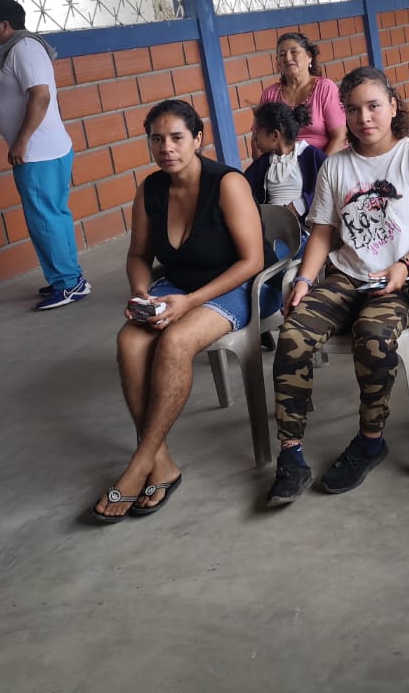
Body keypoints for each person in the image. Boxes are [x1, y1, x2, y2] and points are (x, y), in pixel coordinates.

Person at [265, 66, 409, 507]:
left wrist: (405, 266)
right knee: (292, 334)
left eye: (373, 106)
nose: (364, 117)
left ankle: (371, 440)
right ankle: (291, 453)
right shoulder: (336, 166)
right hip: (345, 277)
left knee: (372, 336)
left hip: (403, 282)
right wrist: (304, 280)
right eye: (352, 110)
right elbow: (322, 232)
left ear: (393, 106)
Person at [92, 99, 281, 523]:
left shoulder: (227, 183)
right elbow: (138, 254)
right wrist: (141, 292)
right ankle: (160, 463)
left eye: (177, 137)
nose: (166, 148)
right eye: (156, 139)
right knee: (130, 341)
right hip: (180, 284)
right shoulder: (150, 190)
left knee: (175, 341)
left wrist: (191, 302)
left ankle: (140, 465)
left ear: (197, 139)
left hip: (240, 283)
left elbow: (252, 260)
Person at [0, 0, 89, 310]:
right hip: (45, 150)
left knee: (45, 218)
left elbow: (40, 96)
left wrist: (21, 141)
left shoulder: (24, 49)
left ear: (4, 24)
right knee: (53, 215)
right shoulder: (21, 48)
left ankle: (67, 284)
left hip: (39, 152)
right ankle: (69, 277)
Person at [243, 101, 327, 242]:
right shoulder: (263, 164)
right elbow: (243, 189)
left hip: (306, 232)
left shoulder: (311, 155)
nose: (254, 138)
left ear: (275, 135)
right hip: (272, 231)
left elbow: (330, 185)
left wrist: (300, 205)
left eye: (257, 132)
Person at [257, 32, 347, 155]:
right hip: (281, 164)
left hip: (323, 162)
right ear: (278, 62)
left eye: (294, 52)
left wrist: (321, 165)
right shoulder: (270, 94)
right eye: (282, 54)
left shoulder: (325, 88)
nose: (287, 58)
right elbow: (257, 138)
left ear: (309, 56)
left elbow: (340, 138)